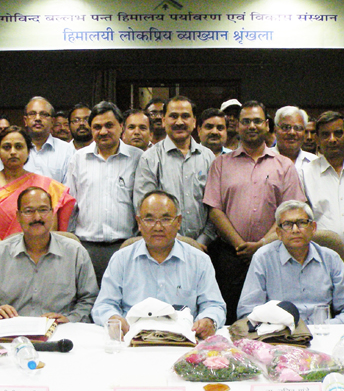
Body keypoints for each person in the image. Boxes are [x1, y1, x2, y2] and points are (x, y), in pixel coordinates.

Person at [203, 100, 305, 323]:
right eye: (246, 121)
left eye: (257, 121)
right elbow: (214, 210)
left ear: (267, 125)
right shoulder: (221, 164)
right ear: (238, 125)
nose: (251, 126)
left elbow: (290, 212)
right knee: (231, 318)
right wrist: (240, 245)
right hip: (230, 256)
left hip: (274, 253)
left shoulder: (284, 165)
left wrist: (261, 245)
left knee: (273, 317)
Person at [91, 191, 225, 339]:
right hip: (132, 340)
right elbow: (104, 305)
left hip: (182, 341)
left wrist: (208, 320)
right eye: (149, 219)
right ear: (139, 223)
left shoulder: (199, 261)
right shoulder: (121, 259)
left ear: (178, 222)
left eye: (166, 219)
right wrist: (113, 318)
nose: (158, 227)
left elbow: (214, 305)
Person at [0, 186, 98, 322]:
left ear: (52, 213)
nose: (37, 217)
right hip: (13, 328)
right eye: (28, 211)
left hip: (61, 329)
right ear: (18, 216)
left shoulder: (75, 253)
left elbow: (89, 299)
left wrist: (71, 319)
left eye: (43, 210)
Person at [237, 201, 344, 324]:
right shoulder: (263, 259)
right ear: (279, 233)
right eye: (287, 224)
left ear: (313, 228)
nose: (295, 230)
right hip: (281, 334)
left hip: (323, 332)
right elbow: (247, 311)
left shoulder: (331, 259)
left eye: (302, 223)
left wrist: (329, 326)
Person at [66, 102, 143, 284]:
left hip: (127, 246)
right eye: (97, 127)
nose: (103, 131)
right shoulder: (78, 159)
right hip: (86, 247)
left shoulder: (138, 158)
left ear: (121, 126)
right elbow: (71, 205)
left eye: (109, 125)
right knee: (89, 297)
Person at [0, 126, 75, 261]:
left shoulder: (44, 185)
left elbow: (49, 229)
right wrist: (6, 254)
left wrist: (29, 258)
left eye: (19, 147)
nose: (13, 152)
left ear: (28, 151)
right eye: (6, 147)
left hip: (36, 258)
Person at [134, 96, 214, 245]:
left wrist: (202, 242)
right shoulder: (150, 158)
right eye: (173, 116)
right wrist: (180, 242)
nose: (179, 122)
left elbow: (215, 206)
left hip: (205, 247)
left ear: (194, 121)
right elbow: (144, 208)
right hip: (163, 246)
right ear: (164, 121)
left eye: (185, 116)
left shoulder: (208, 157)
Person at [299, 111, 344, 250]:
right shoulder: (305, 173)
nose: (332, 139)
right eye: (325, 135)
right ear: (317, 139)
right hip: (321, 255)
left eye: (338, 133)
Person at [24, 97, 75, 183]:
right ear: (25, 120)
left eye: (43, 114)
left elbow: (69, 188)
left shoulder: (67, 151)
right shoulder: (14, 149)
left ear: (52, 121)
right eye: (32, 114)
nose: (37, 118)